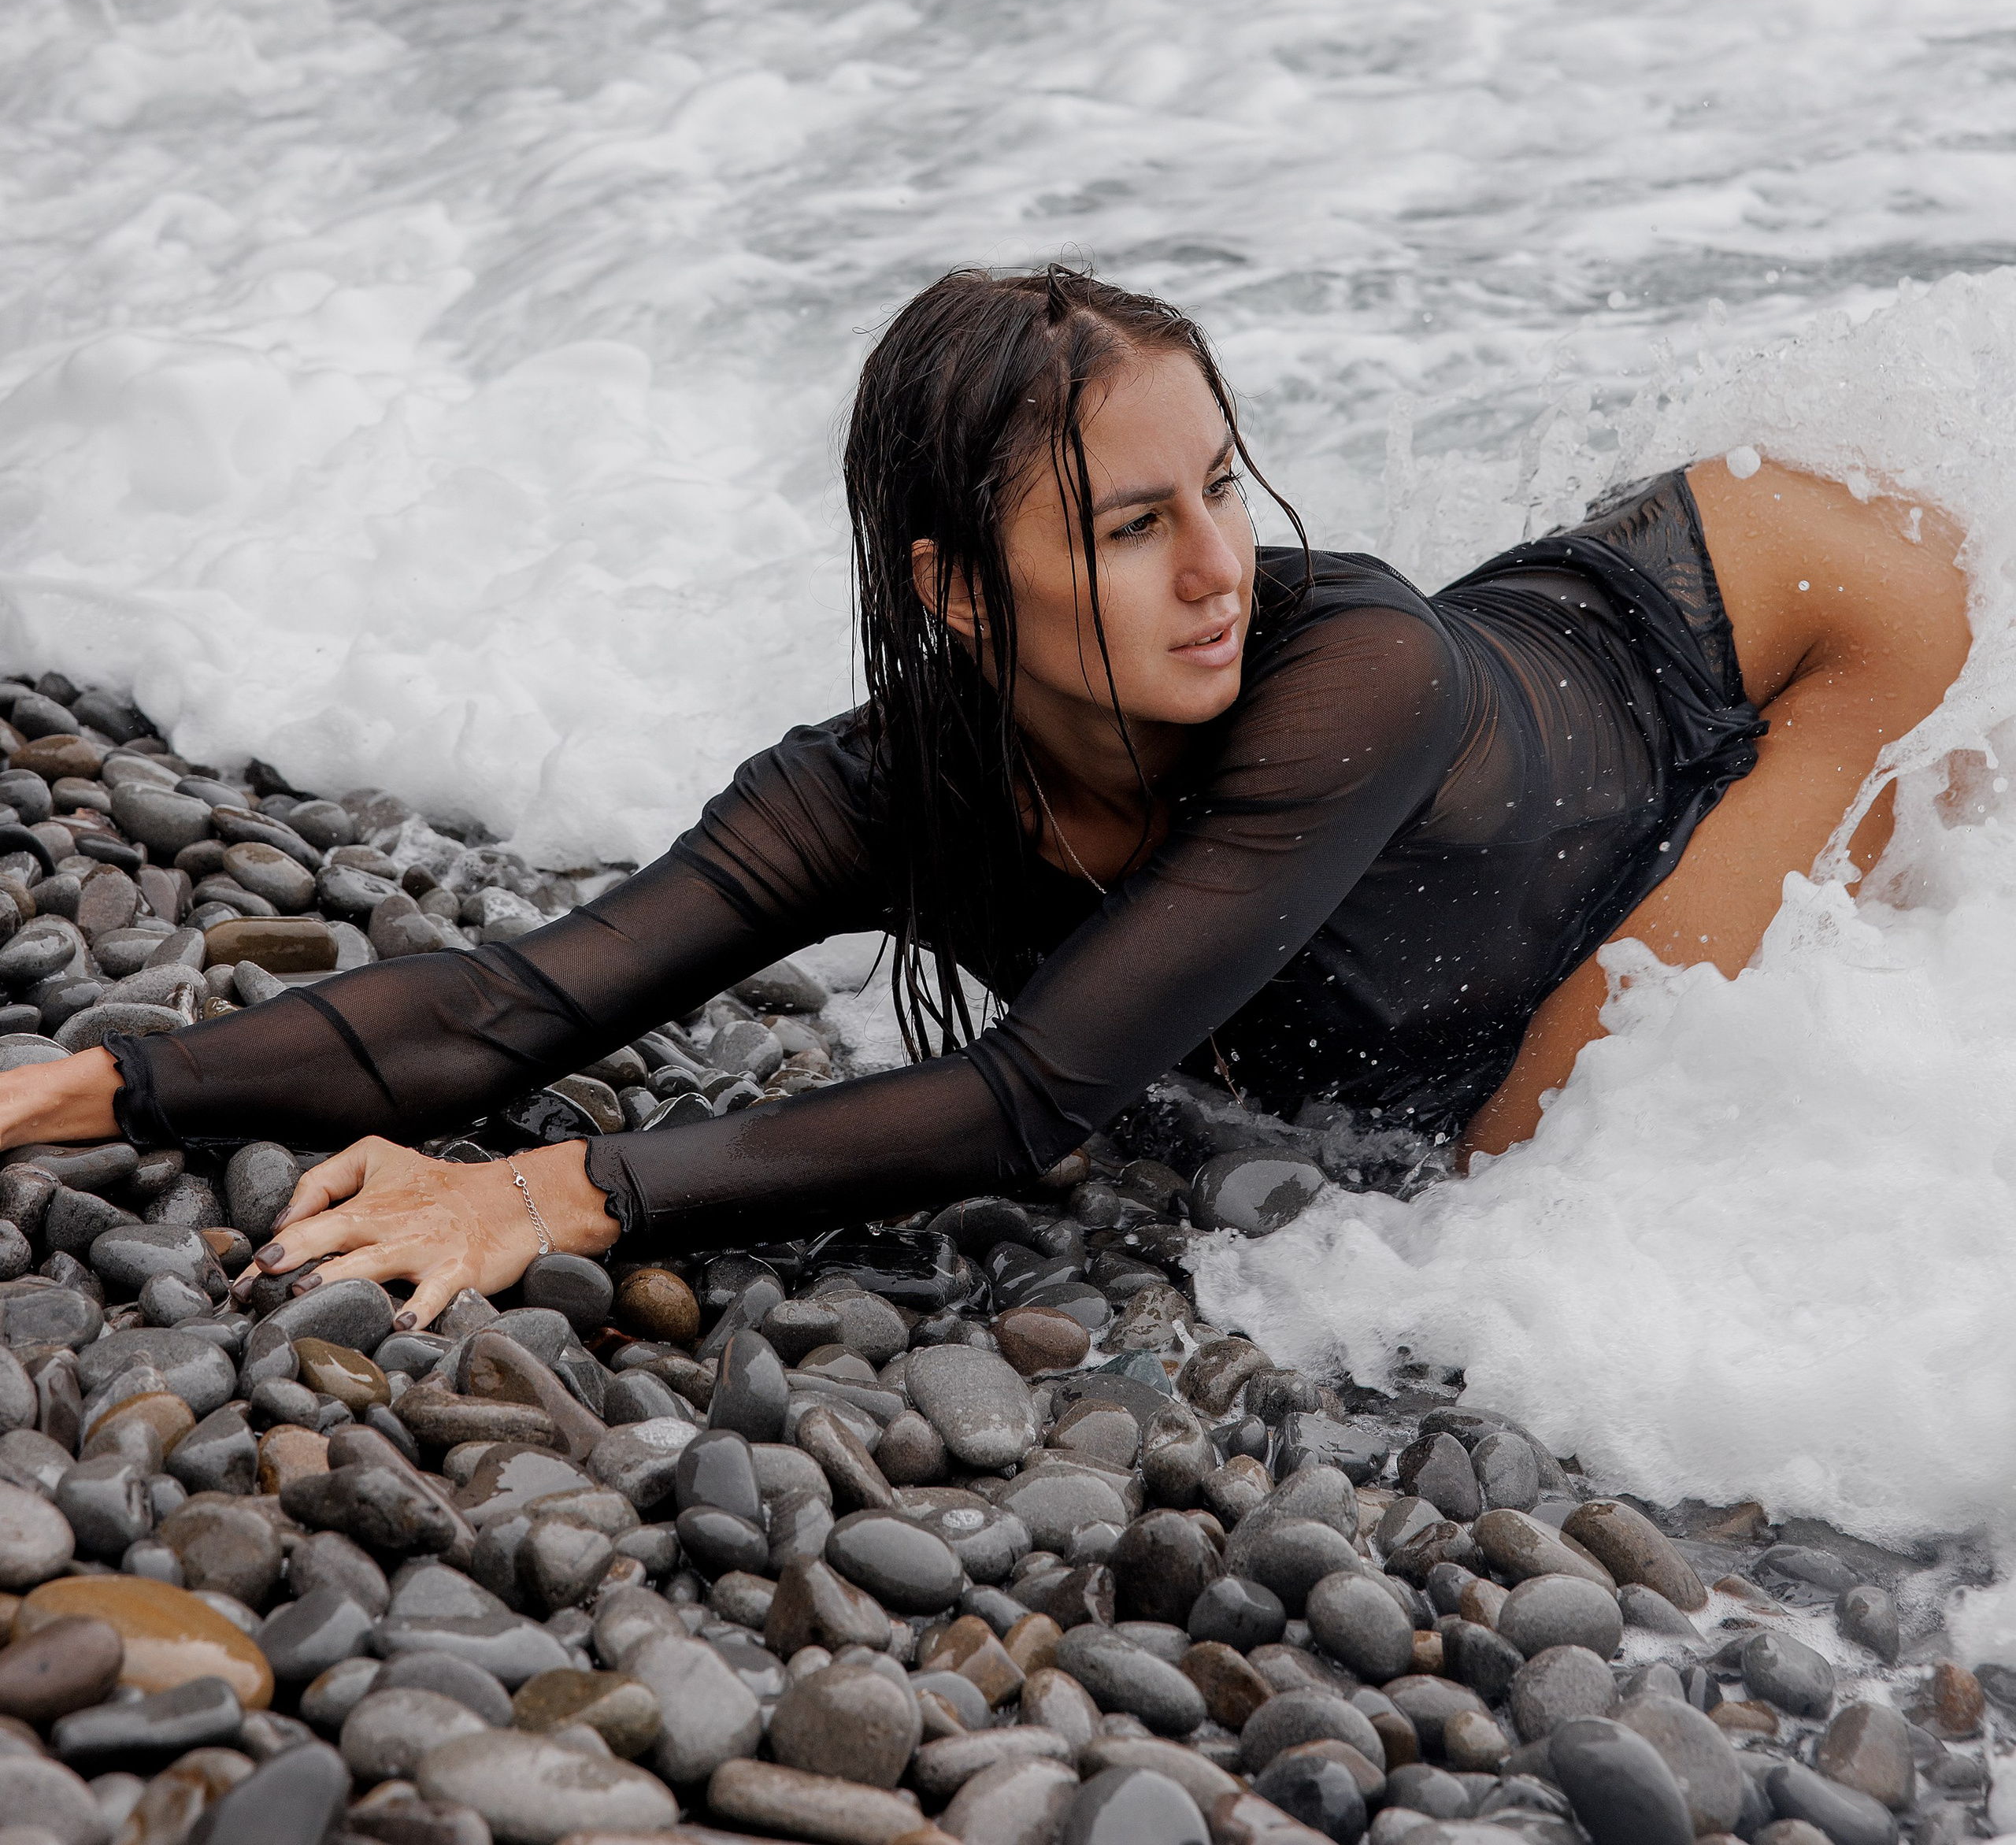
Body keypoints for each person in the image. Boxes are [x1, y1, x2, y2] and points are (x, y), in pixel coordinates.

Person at [0, 269, 1970, 1330]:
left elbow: (1030, 1096)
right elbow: (522, 1003)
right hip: (1591, 684)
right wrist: (87, 1087)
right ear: (955, 588)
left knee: (1532, 1171)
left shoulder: (1353, 669)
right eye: (1129, 523)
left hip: (1837, 627)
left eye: (1221, 485)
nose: (1215, 565)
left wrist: (548, 1188)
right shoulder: (876, 789)